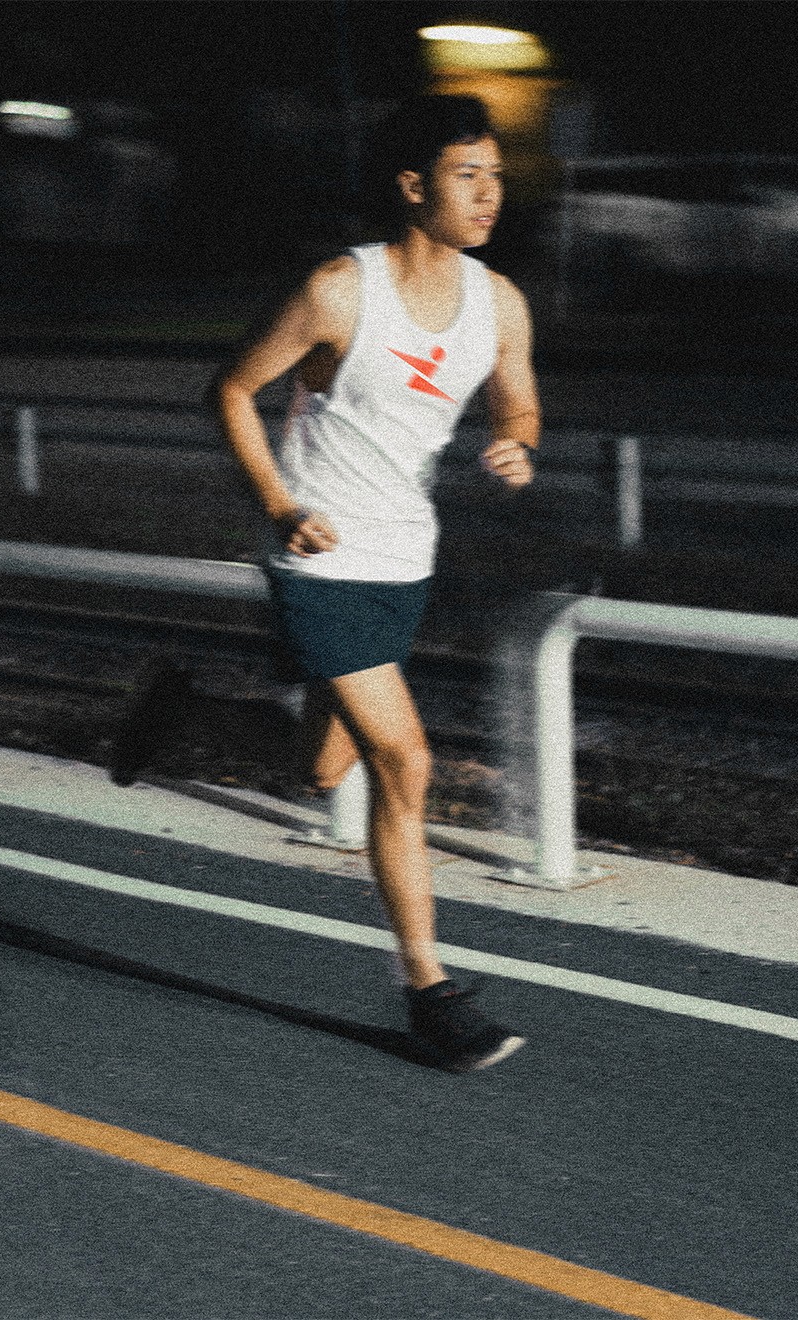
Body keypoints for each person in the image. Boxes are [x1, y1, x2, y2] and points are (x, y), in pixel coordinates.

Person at [210, 95, 538, 1070]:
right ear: (412, 186)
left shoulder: (499, 302)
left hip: (405, 557)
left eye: (496, 177)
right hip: (323, 556)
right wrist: (277, 503)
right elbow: (231, 390)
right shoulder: (338, 291)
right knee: (406, 762)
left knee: (323, 771)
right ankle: (429, 994)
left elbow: (518, 398)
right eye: (466, 176)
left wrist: (515, 442)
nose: (488, 195)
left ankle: (178, 715)